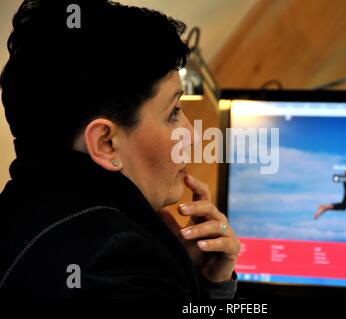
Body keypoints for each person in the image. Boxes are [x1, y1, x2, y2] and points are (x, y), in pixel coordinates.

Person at [0, 0, 240, 299]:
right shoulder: (127, 265)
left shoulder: (17, 212)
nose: (192, 136)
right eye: (174, 112)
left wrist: (201, 281)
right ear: (105, 143)